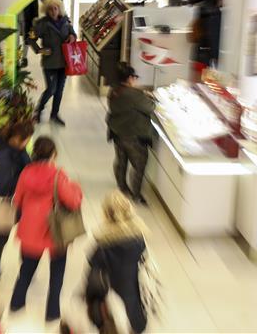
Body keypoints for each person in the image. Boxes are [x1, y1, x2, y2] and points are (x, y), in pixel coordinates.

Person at [10, 136, 83, 323]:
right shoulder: (58, 175)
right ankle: (52, 312)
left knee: (26, 269)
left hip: (29, 229)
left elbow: (17, 200)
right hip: (55, 231)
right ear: (53, 154)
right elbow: (73, 201)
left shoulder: (26, 173)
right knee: (57, 273)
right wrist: (75, 187)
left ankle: (16, 303)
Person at [88, 191, 149, 333]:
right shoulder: (139, 238)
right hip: (133, 288)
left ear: (107, 215)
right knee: (135, 318)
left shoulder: (104, 243)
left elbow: (93, 267)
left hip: (112, 293)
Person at [106, 63, 155, 204]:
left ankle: (122, 187)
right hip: (134, 134)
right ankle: (136, 195)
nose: (135, 80)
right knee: (139, 165)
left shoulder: (114, 90)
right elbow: (150, 107)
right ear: (128, 78)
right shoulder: (134, 94)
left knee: (121, 161)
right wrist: (149, 97)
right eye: (134, 77)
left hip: (117, 132)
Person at [0, 121, 33, 279]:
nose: (27, 142)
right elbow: (3, 184)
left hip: (23, 201)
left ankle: (26, 267)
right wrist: (23, 179)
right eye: (26, 139)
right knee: (2, 237)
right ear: (16, 139)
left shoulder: (20, 151)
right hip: (8, 202)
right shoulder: (5, 156)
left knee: (27, 234)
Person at [28, 0, 76, 126]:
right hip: (50, 63)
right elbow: (30, 38)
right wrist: (40, 50)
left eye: (55, 8)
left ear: (59, 9)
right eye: (50, 9)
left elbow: (73, 34)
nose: (53, 11)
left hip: (64, 62)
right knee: (51, 89)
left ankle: (54, 115)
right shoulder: (41, 24)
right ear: (46, 10)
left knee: (59, 91)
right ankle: (38, 111)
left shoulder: (66, 21)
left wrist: (72, 37)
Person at [191, 0, 222, 69]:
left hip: (199, 53)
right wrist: (215, 55)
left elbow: (195, 36)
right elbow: (214, 37)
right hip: (208, 55)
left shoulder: (200, 12)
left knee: (200, 76)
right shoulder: (215, 16)